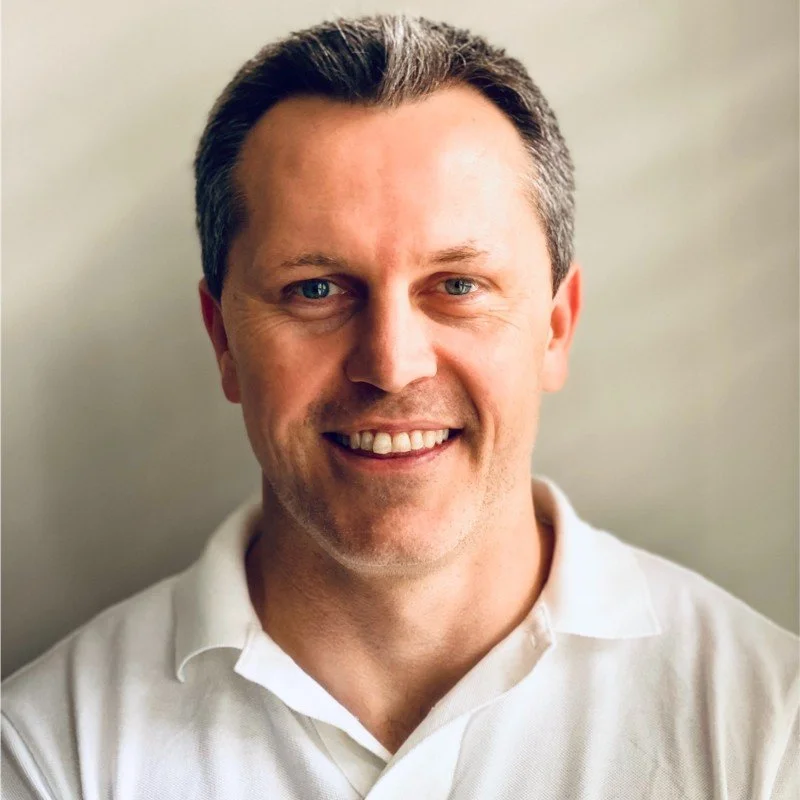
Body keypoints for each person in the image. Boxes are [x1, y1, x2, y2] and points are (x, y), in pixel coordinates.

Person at [2, 14, 797, 799]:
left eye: (457, 287)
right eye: (314, 289)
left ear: (555, 328)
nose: (390, 365)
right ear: (223, 341)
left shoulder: (770, 729)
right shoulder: (46, 754)